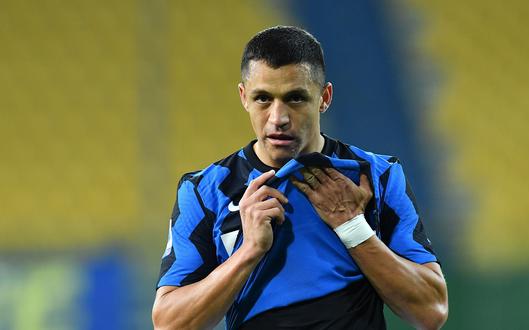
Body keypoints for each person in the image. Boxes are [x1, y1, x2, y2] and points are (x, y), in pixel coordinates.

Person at [152, 26, 448, 330]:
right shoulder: (205, 190)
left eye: (295, 98)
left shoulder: (377, 176)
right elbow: (170, 324)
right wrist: (248, 251)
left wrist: (354, 228)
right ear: (243, 97)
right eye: (263, 99)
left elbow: (431, 310)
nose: (278, 118)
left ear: (324, 97)